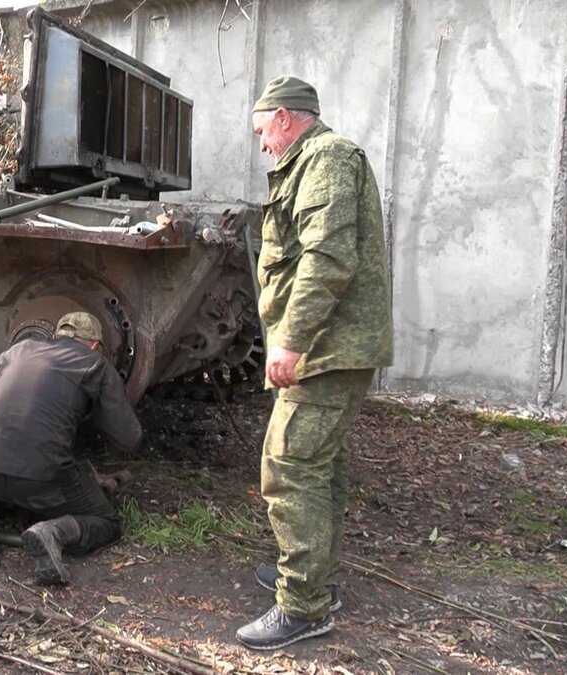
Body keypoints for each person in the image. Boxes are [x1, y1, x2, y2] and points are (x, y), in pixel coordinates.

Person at [236, 75, 393, 650]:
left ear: (283, 117)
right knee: (319, 465)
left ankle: (302, 607)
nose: (262, 146)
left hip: (326, 349)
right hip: (329, 347)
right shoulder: (311, 163)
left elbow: (327, 257)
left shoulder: (325, 158)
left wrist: (291, 339)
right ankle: (314, 581)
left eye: (262, 132)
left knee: (289, 466)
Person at [0, 312, 142, 585]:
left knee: (13, 477)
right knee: (106, 522)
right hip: (41, 475)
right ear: (94, 345)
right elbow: (129, 439)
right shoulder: (94, 363)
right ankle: (53, 532)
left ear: (55, 337)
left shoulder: (16, 351)